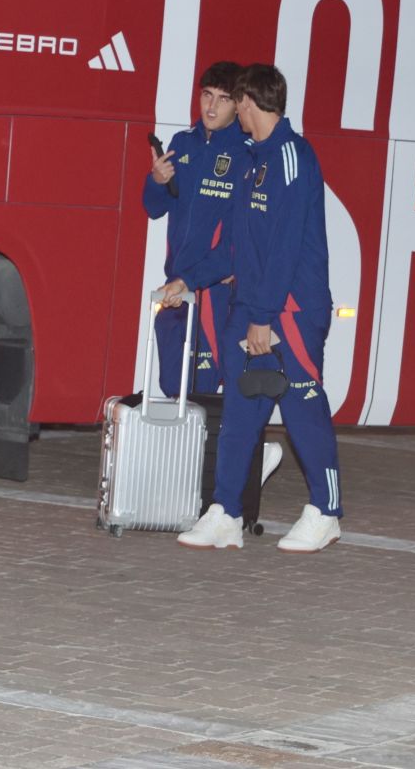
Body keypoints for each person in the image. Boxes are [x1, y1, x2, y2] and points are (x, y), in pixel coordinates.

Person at [173, 64, 342, 554]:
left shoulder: (293, 157)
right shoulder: (252, 160)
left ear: (247, 102)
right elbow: (238, 247)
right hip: (253, 306)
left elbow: (285, 248)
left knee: (302, 409)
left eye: (234, 102)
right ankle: (226, 511)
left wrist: (265, 315)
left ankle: (327, 511)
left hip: (289, 309)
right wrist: (189, 279)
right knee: (240, 414)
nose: (230, 111)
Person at [143, 60, 247, 397]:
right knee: (173, 386)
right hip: (177, 288)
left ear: (238, 105)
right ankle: (185, 450)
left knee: (204, 392)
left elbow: (238, 241)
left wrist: (195, 278)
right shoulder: (182, 141)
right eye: (206, 95)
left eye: (223, 99)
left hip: (213, 291)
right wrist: (157, 181)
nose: (211, 107)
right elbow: (154, 208)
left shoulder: (246, 155)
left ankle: (227, 450)